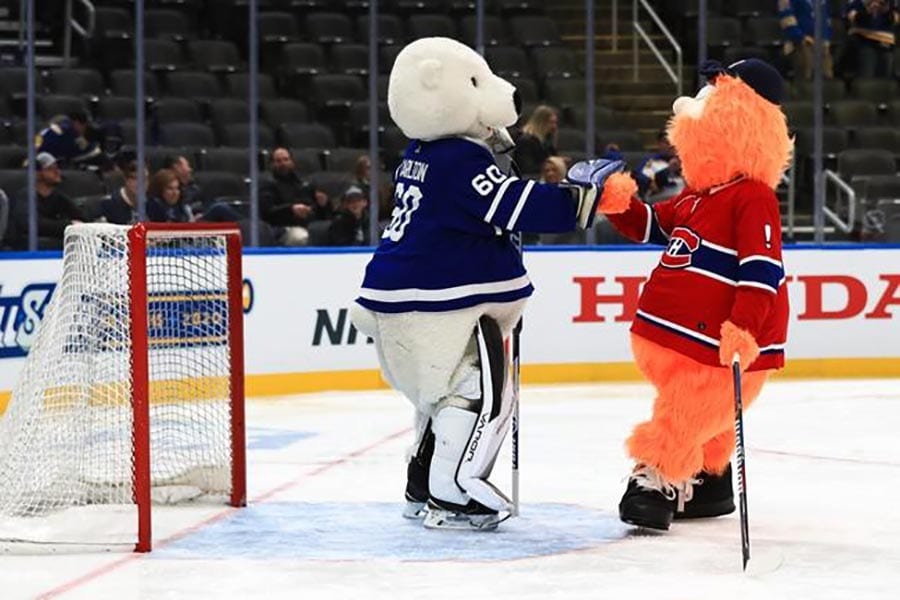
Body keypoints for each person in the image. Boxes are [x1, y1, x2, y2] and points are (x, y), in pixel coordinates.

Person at [10, 152, 85, 249]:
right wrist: (69, 225)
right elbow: (31, 224)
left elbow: (81, 218)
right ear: (37, 173)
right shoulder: (25, 197)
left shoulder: (59, 198)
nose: (57, 172)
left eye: (57, 167)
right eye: (50, 169)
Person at [259, 147, 332, 246]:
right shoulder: (267, 184)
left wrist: (323, 204)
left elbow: (318, 210)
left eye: (286, 159)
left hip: (309, 225)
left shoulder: (303, 183)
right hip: (282, 228)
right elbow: (267, 212)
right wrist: (291, 209)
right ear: (272, 164)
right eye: (278, 161)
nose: (283, 163)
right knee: (301, 237)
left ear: (292, 161)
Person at [778, 0, 834, 79]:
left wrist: (825, 40)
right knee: (806, 62)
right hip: (797, 42)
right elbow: (787, 20)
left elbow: (826, 20)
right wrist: (801, 37)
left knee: (826, 68)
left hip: (819, 41)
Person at [846, 0, 900, 77]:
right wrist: (869, 10)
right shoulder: (857, 2)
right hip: (863, 41)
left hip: (886, 42)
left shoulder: (891, 2)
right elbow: (852, 17)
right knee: (867, 76)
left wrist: (886, 11)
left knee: (885, 78)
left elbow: (895, 18)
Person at [35, 111, 103, 169]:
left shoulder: (54, 126)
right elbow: (76, 154)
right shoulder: (69, 132)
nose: (84, 131)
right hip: (49, 161)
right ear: (77, 123)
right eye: (84, 127)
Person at [512, 105, 559, 175]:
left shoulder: (547, 142)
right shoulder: (525, 141)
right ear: (541, 122)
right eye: (551, 122)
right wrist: (549, 166)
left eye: (555, 123)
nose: (554, 126)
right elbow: (526, 168)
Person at [99, 161, 146, 225]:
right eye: (135, 179)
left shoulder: (152, 204)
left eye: (144, 179)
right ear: (126, 180)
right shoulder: (109, 204)